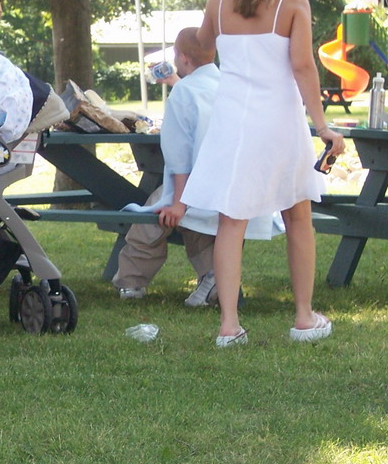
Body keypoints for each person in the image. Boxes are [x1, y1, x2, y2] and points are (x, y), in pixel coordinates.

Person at [182, 0, 346, 347]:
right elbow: (303, 66)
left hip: (232, 123)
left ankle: (229, 325)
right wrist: (323, 126)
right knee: (298, 215)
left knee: (230, 220)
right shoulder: (293, 3)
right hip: (278, 121)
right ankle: (304, 316)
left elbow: (203, 43)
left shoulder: (219, 0)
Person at [112, 28, 279, 305]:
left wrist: (178, 202)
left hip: (200, 185)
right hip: (239, 189)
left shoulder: (184, 93)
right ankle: (212, 274)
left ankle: (131, 282)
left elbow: (179, 157)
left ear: (182, 57)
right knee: (200, 223)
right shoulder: (232, 86)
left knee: (152, 218)